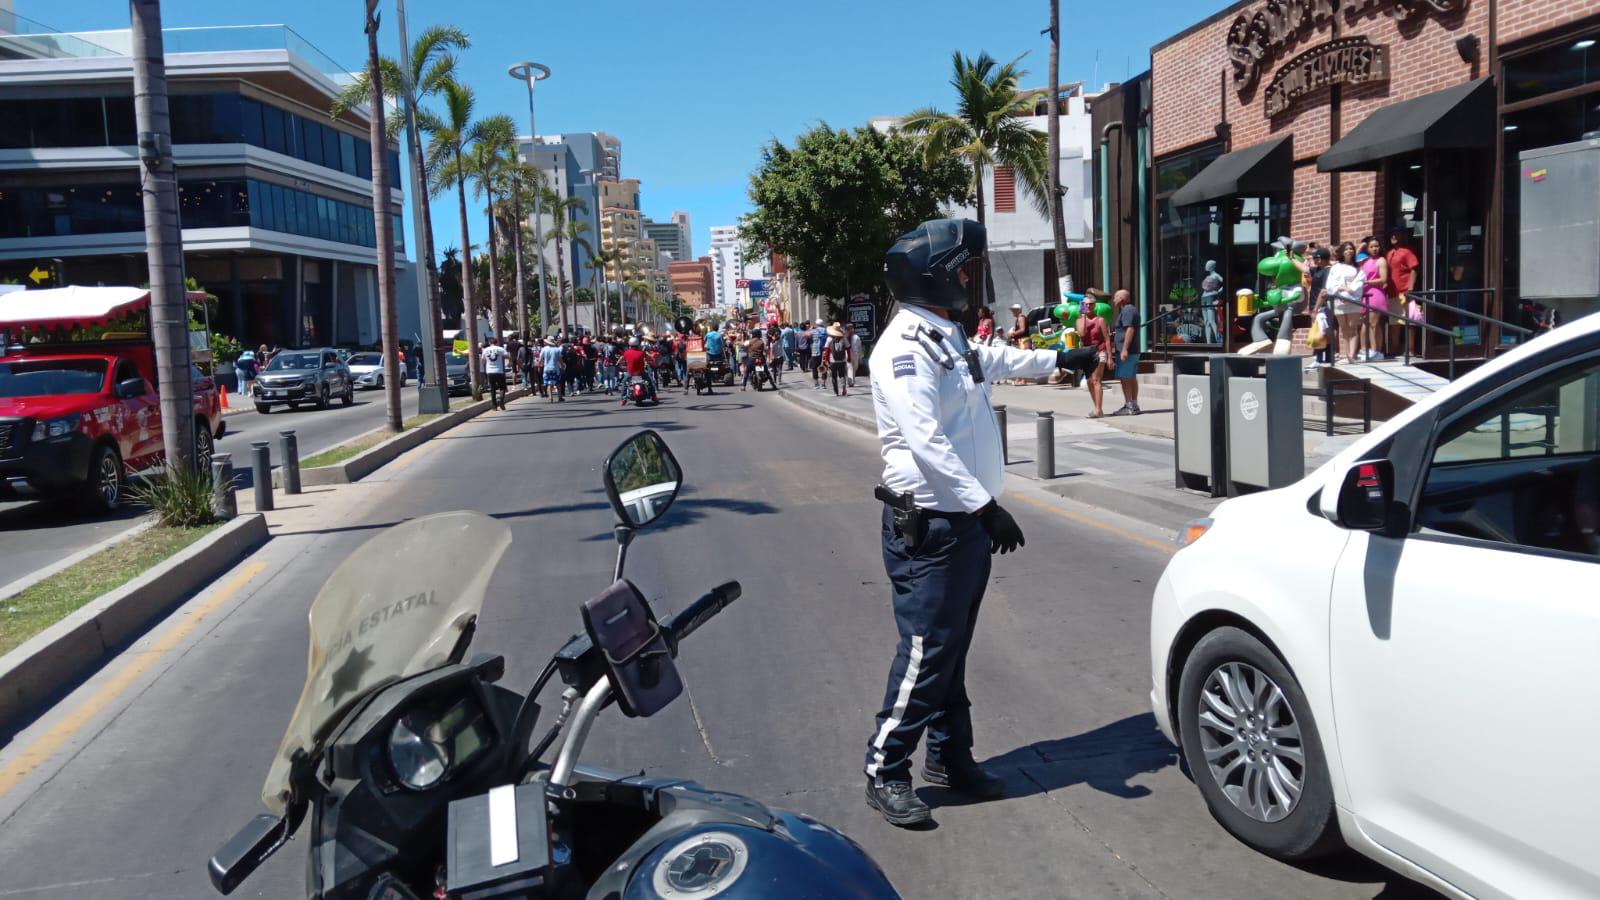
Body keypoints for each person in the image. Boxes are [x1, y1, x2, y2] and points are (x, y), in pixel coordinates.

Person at [863, 219, 1091, 828]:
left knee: (951, 650)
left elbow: (993, 358)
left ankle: (949, 758)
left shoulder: (943, 334)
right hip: (932, 526)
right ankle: (885, 768)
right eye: (962, 270)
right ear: (934, 276)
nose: (968, 280)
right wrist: (984, 508)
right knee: (927, 650)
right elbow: (925, 439)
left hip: (959, 524)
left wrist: (1059, 357)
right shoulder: (904, 346)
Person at [1326, 241, 1366, 365]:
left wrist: (1349, 290)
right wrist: (1340, 289)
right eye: (1346, 249)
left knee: (1353, 328)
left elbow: (1359, 284)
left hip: (1353, 301)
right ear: (1342, 252)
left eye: (1351, 249)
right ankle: (1347, 355)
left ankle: (1352, 356)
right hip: (1339, 301)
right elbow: (1330, 284)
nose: (1349, 251)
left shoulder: (1357, 268)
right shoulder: (1335, 267)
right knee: (1344, 329)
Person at [1385, 227, 1419, 358]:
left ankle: (1410, 350)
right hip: (1392, 292)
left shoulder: (1407, 252)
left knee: (1410, 321)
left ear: (1402, 236)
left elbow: (1414, 269)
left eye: (1396, 234)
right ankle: (1394, 350)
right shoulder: (1389, 253)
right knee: (1394, 322)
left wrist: (1411, 287)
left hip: (1405, 291)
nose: (1393, 237)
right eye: (1392, 234)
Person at [1108, 290, 1141, 416]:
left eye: (1115, 297)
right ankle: (1133, 404)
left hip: (1127, 351)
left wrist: (1124, 349)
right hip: (1131, 350)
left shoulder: (1127, 310)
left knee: (1125, 377)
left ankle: (1129, 405)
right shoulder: (1130, 310)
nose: (1113, 300)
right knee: (1131, 377)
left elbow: (1130, 329)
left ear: (1121, 299)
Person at [1302, 246, 1335, 368]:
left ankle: (1323, 359)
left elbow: (1323, 291)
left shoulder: (1328, 271)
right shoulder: (1317, 270)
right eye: (1314, 258)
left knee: (1322, 333)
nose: (1314, 260)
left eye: (1317, 257)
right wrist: (1290, 257)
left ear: (1324, 258)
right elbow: (1304, 268)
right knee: (1320, 332)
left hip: (1323, 307)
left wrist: (1316, 309)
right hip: (1315, 306)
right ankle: (1322, 359)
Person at [1079, 296, 1111, 418]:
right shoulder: (1079, 320)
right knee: (1089, 381)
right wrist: (1083, 316)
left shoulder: (1101, 320)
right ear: (1082, 306)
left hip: (1099, 351)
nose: (1088, 306)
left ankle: (1098, 409)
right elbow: (1082, 333)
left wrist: (1110, 357)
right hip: (1087, 353)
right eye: (1086, 304)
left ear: (1095, 305)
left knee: (1096, 379)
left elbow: (1107, 339)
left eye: (1091, 304)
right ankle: (1097, 408)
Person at [1361, 235, 1390, 360]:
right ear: (1367, 249)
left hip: (1376, 294)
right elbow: (1354, 259)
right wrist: (1361, 247)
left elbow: (1383, 279)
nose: (1374, 249)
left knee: (1373, 324)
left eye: (1376, 246)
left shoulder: (1381, 260)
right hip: (1365, 294)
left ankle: (1376, 351)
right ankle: (1366, 350)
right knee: (1365, 323)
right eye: (1371, 246)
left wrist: (1367, 282)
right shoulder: (1365, 261)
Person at [481, 336, 509, 410]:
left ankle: (494, 406)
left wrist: (486, 365)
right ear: (496, 342)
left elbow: (483, 360)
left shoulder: (485, 350)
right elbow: (507, 356)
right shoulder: (500, 349)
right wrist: (509, 362)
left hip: (490, 371)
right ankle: (501, 400)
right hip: (499, 371)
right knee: (502, 387)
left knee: (492, 389)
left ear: (489, 343)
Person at [619, 335, 649, 406]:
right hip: (641, 372)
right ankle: (653, 396)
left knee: (624, 383)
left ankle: (623, 399)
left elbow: (621, 360)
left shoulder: (626, 352)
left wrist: (622, 365)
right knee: (650, 382)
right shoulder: (641, 353)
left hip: (630, 372)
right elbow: (647, 359)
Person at [824, 322, 851, 396]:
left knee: (834, 376)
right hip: (842, 360)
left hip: (833, 361)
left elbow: (826, 350)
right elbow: (848, 348)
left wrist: (826, 360)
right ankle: (844, 388)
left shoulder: (829, 339)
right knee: (842, 375)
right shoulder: (843, 338)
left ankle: (836, 392)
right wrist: (849, 358)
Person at [539, 335, 564, 402]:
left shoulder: (544, 349)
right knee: (557, 383)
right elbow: (560, 360)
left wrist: (539, 366)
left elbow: (540, 359)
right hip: (555, 369)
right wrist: (562, 366)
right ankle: (560, 397)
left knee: (549, 383)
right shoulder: (557, 349)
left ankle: (550, 397)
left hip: (547, 368)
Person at [810, 320, 828, 389]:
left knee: (814, 368)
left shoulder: (814, 331)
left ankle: (816, 384)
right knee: (824, 367)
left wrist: (811, 328)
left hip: (815, 352)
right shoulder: (826, 331)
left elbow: (805, 335)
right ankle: (823, 384)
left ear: (816, 324)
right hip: (824, 352)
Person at [846, 323, 864, 388]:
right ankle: (852, 381)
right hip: (855, 353)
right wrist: (860, 356)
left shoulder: (845, 337)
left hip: (847, 353)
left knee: (850, 368)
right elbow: (859, 347)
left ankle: (850, 381)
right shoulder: (856, 337)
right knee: (854, 368)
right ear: (852, 329)